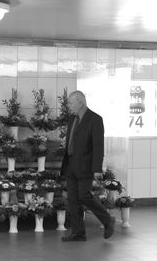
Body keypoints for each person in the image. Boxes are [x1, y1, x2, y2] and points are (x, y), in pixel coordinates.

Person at [60, 91, 115, 241]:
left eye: (71, 103)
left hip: (85, 165)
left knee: (84, 195)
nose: (68, 106)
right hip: (71, 164)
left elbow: (98, 146)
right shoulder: (72, 118)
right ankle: (78, 233)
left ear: (80, 102)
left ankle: (107, 220)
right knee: (73, 200)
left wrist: (97, 169)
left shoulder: (95, 119)